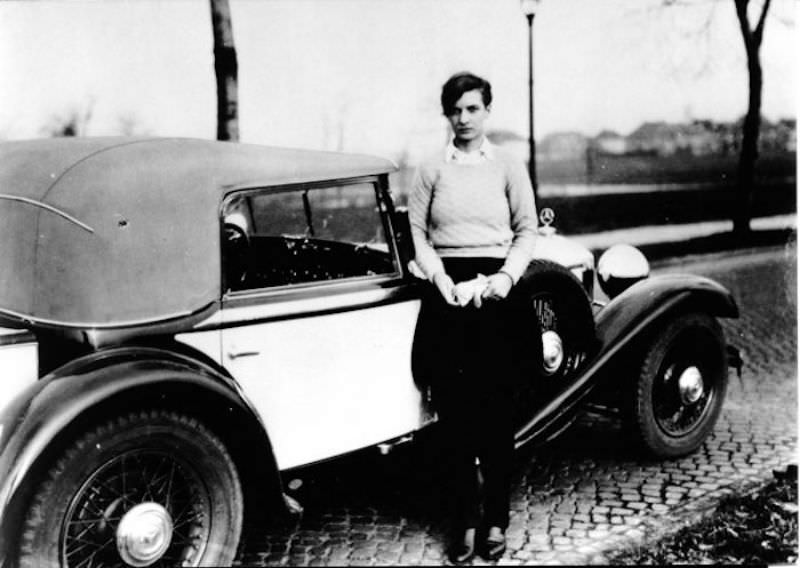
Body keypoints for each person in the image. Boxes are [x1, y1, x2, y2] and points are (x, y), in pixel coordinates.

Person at [409, 72, 538, 564]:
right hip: (449, 301)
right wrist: (440, 279)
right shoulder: (430, 169)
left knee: (497, 419)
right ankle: (463, 521)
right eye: (455, 110)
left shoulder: (507, 164)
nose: (464, 119)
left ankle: (496, 522)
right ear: (447, 114)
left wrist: (504, 279)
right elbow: (417, 233)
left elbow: (526, 231)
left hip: (498, 299)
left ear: (487, 111)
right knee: (456, 419)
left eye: (473, 109)